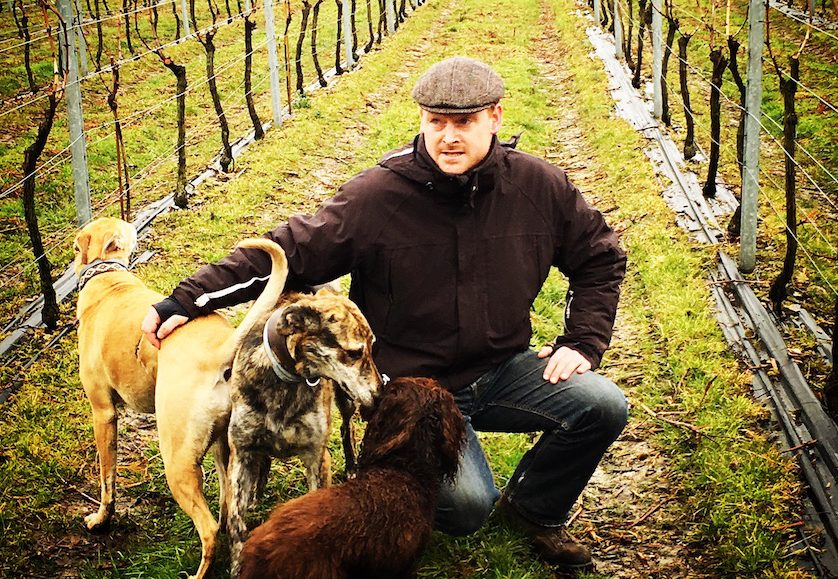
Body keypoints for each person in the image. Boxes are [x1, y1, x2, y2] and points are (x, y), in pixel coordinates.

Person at [141, 56, 628, 573]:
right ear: (422, 120)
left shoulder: (538, 187)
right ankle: (390, 480)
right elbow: (290, 252)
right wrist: (188, 299)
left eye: (464, 122)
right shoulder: (380, 196)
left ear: (495, 118)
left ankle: (533, 507)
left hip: (502, 368)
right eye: (436, 122)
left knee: (601, 405)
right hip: (410, 387)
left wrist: (582, 340)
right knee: (465, 508)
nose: (449, 137)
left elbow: (599, 257)